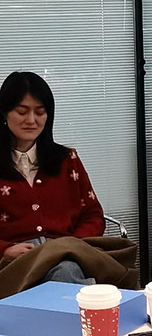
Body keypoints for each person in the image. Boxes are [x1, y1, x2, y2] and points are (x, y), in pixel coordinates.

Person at [0, 71, 105, 284]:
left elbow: (93, 215)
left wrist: (70, 245)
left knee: (64, 270)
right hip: (12, 263)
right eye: (22, 112)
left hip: (66, 254)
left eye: (40, 112)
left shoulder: (67, 160)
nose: (31, 120)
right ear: (4, 112)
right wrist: (5, 249)